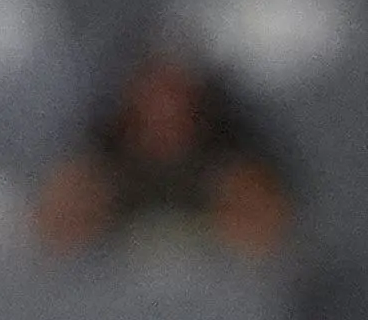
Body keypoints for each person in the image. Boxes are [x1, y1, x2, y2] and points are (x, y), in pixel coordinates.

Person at [36, 45, 295, 259]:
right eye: (152, 99)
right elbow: (49, 240)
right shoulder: (98, 167)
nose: (164, 112)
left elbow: (272, 245)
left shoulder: (232, 168)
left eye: (175, 97)